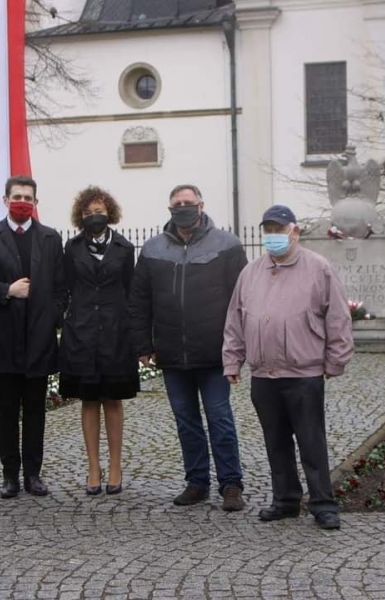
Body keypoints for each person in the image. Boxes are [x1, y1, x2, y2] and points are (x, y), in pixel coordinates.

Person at [222, 205, 353, 531]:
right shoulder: (250, 272)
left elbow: (337, 317)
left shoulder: (318, 268)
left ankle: (323, 503)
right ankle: (285, 500)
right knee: (275, 441)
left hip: (303, 373)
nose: (273, 236)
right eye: (268, 230)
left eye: (279, 230)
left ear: (294, 231)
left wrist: (336, 359)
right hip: (264, 373)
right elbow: (235, 320)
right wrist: (232, 359)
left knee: (311, 441)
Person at [129, 184, 247, 511]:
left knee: (220, 418)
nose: (183, 207)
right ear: (170, 209)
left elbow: (241, 299)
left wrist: (238, 348)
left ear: (201, 205)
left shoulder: (227, 245)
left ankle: (231, 484)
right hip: (171, 354)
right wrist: (143, 345)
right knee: (186, 421)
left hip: (214, 352)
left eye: (188, 202)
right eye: (177, 203)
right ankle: (197, 482)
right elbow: (139, 300)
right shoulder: (152, 248)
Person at [0, 175, 66, 499]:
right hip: (3, 339)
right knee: (7, 412)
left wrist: (51, 316)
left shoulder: (50, 238)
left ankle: (33, 474)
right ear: (5, 200)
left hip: (39, 339)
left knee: (36, 412)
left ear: (36, 202)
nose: (22, 202)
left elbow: (61, 288)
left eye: (28, 197)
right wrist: (6, 290)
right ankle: (10, 475)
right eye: (17, 196)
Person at [59, 186, 139, 495]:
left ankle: (115, 466)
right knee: (89, 400)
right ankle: (94, 467)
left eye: (99, 211)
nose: (94, 216)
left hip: (116, 333)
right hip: (82, 333)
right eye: (88, 212)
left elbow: (130, 291)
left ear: (110, 213)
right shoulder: (71, 248)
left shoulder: (124, 248)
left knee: (113, 400)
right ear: (80, 216)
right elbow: (67, 288)